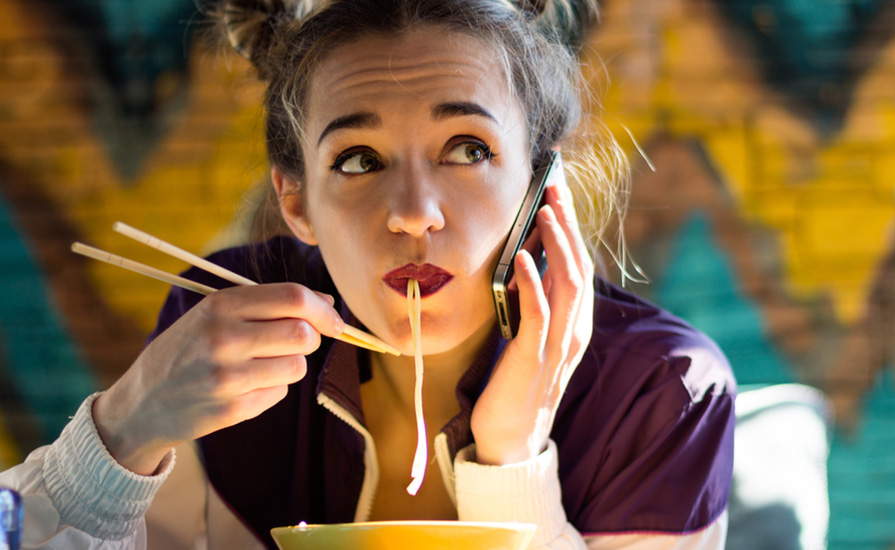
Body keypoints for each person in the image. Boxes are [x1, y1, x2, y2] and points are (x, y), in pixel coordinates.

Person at [0, 0, 736, 548]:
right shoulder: (234, 336)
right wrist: (125, 429)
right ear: (296, 202)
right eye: (359, 160)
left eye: (467, 149)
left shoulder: (662, 390)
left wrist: (511, 456)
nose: (414, 213)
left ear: (542, 181)